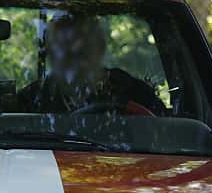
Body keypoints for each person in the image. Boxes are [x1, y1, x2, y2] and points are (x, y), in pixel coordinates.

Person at [18, 12, 165, 115]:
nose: (75, 60)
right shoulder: (31, 100)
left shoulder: (136, 93)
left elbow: (167, 132)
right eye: (64, 50)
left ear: (100, 48)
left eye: (83, 50)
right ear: (49, 53)